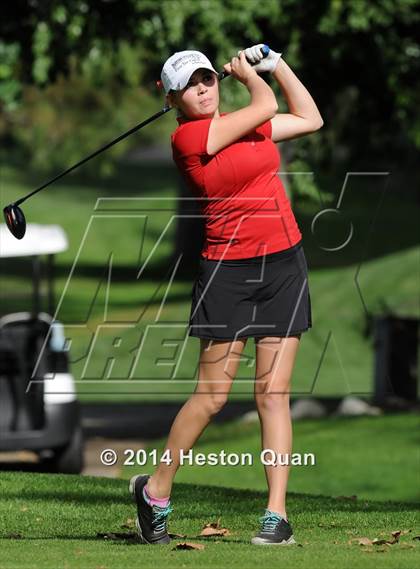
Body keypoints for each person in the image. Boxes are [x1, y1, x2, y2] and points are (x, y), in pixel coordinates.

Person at [129, 44, 323, 546]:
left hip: (283, 263)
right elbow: (265, 107)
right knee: (212, 397)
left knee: (272, 394)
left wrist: (278, 65)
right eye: (191, 83)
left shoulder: (245, 123)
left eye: (209, 78)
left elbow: (310, 117)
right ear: (171, 97)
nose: (204, 87)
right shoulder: (190, 138)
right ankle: (156, 491)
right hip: (227, 274)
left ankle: (276, 516)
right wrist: (250, 76)